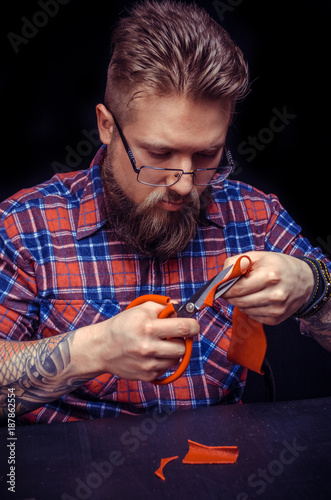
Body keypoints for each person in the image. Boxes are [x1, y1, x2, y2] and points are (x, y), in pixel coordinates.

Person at [0, 0, 330, 424]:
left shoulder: (254, 216)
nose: (185, 184)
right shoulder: (25, 227)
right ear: (106, 125)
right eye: (159, 154)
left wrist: (314, 288)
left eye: (207, 155)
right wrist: (94, 349)